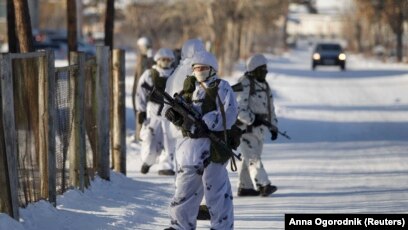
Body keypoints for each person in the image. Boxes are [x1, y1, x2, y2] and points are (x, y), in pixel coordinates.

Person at [164, 51, 237, 229]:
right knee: (184, 191)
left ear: (212, 69)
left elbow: (231, 113)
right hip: (189, 149)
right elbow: (181, 121)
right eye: (196, 68)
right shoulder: (188, 90)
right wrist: (176, 117)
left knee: (216, 193)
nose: (199, 71)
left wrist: (211, 121)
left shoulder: (222, 87)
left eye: (203, 68)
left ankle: (221, 226)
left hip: (213, 148)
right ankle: (180, 225)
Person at [233, 54, 279, 197]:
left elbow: (270, 108)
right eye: (261, 70)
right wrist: (253, 120)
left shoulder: (265, 86)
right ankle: (263, 184)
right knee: (253, 158)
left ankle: (245, 187)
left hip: (260, 130)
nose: (265, 72)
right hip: (245, 130)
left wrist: (273, 126)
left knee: (250, 157)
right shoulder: (245, 84)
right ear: (253, 69)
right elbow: (239, 109)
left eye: (266, 69)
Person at [136, 48, 176, 175]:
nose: (165, 62)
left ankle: (166, 166)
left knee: (169, 141)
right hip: (153, 113)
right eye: (163, 59)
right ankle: (148, 161)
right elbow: (140, 93)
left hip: (170, 114)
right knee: (150, 141)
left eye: (168, 60)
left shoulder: (175, 74)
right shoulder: (150, 74)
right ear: (158, 60)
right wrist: (141, 110)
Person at [133, 36, 154, 142]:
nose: (141, 49)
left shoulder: (149, 58)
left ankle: (140, 136)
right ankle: (138, 135)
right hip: (140, 86)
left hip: (146, 89)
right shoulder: (141, 58)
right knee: (139, 111)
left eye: (142, 47)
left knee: (143, 113)